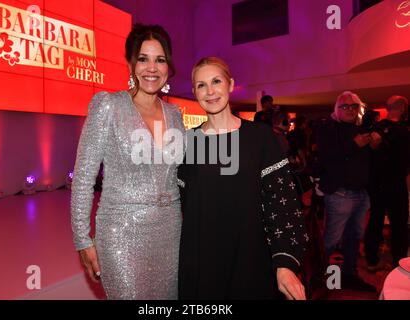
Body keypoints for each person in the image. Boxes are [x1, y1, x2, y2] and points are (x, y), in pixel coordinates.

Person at [71, 24, 185, 299]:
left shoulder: (175, 114)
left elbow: (180, 175)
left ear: (168, 65)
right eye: (143, 59)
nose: (152, 68)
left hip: (170, 232)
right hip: (121, 233)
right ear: (131, 64)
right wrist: (83, 240)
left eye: (160, 59)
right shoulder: (109, 106)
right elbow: (84, 178)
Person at [178, 57, 307, 300]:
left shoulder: (260, 138)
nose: (210, 91)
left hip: (251, 261)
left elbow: (282, 204)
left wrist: (285, 262)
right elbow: (176, 203)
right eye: (201, 85)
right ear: (195, 92)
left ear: (230, 84)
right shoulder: (187, 142)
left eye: (216, 81)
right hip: (201, 264)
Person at [315, 91, 381, 292]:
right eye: (345, 106)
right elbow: (327, 158)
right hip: (339, 194)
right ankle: (321, 279)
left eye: (354, 106)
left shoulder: (361, 129)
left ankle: (349, 275)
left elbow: (370, 163)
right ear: (337, 109)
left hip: (361, 194)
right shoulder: (329, 128)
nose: (350, 109)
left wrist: (376, 146)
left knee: (354, 237)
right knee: (331, 240)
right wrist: (354, 145)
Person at [365, 95, 410, 271]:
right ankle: (398, 261)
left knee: (375, 221)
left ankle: (371, 260)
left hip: (377, 184)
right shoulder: (405, 131)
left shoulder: (376, 128)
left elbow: (370, 157)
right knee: (399, 224)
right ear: (403, 108)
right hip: (396, 183)